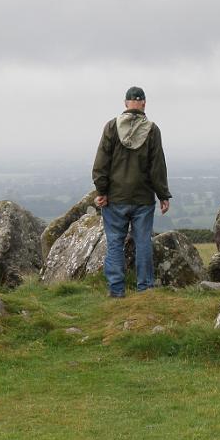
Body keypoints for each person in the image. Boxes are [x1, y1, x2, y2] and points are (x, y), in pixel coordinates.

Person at [92, 86, 171, 297]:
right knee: (143, 242)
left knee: (115, 242)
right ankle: (145, 289)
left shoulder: (111, 127)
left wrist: (101, 191)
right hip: (143, 199)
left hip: (115, 198)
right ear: (144, 103)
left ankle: (116, 290)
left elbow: (101, 162)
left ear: (126, 103)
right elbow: (157, 167)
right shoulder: (152, 130)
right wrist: (163, 194)